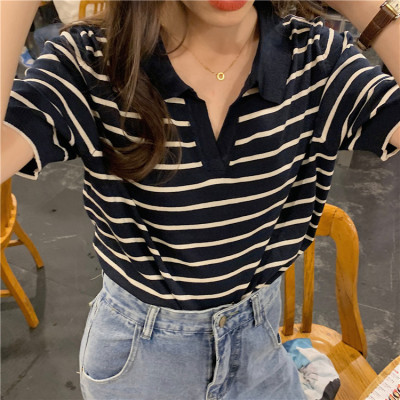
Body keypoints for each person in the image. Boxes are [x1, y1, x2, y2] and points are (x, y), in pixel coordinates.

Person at [1, 0, 399, 399]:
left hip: (260, 346)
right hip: (143, 361)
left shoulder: (314, 59)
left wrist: (362, 5)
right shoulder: (95, 61)